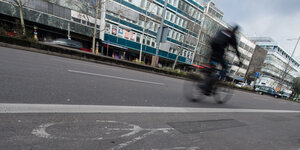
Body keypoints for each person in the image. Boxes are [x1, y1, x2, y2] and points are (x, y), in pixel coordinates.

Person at [202, 25, 242, 95]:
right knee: (225, 67)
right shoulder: (232, 35)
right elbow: (236, 49)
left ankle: (207, 85)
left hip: (213, 48)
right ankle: (215, 80)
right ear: (236, 31)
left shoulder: (222, 30)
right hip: (219, 51)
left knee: (211, 67)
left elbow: (215, 38)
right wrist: (239, 60)